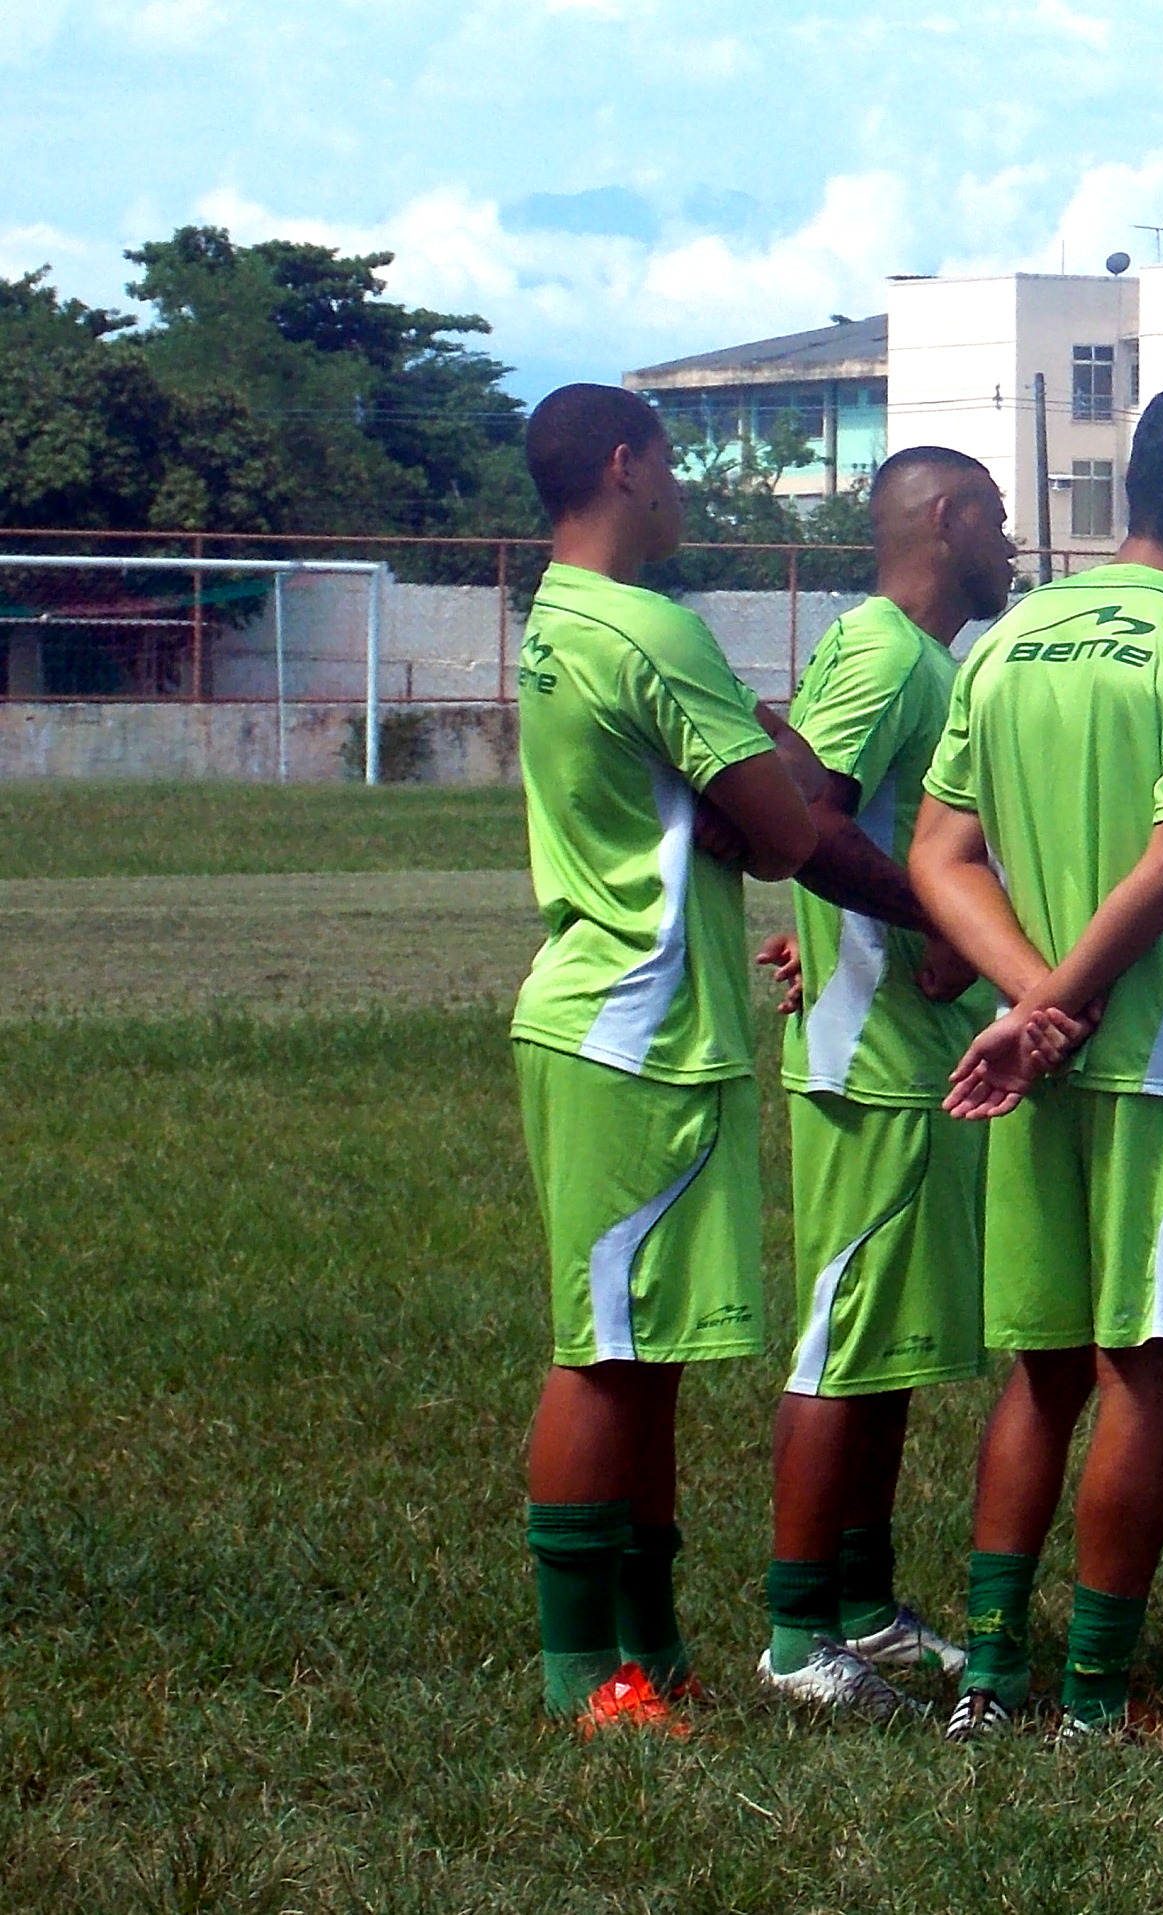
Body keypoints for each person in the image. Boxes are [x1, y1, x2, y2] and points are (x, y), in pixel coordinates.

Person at [908, 375, 1163, 1742]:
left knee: (1041, 1369)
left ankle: (991, 1680)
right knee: (1144, 1367)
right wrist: (1062, 1005)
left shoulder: (1004, 644)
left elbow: (939, 855)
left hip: (1033, 1063)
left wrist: (1024, 1004)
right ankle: (1098, 1693)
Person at [510, 383, 819, 1733]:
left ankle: (653, 1643)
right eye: (677, 464)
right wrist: (772, 731)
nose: (686, 490)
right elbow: (787, 829)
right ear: (626, 468)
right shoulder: (651, 628)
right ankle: (583, 1671)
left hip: (610, 1011)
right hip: (635, 1023)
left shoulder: (558, 615)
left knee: (652, 1348)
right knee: (607, 1348)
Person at [753, 447, 1018, 1718]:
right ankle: (797, 1632)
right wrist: (932, 916)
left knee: (887, 1346)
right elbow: (808, 811)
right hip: (872, 1060)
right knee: (842, 1337)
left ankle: (862, 1609)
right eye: (1002, 519)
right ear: (949, 519)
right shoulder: (879, 648)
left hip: (914, 1054)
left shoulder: (929, 662)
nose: (1012, 544)